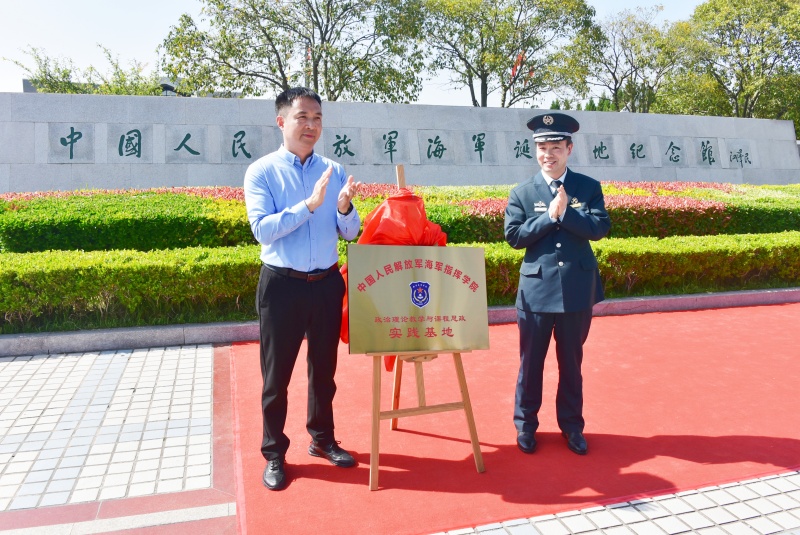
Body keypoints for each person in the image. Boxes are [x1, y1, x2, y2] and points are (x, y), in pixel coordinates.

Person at [244, 87, 362, 491]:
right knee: (276, 377)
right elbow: (262, 229)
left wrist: (343, 208)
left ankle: (322, 439)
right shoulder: (261, 172)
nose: (311, 125)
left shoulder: (334, 169)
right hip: (282, 285)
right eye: (302, 117)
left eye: (316, 118)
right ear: (282, 121)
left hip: (326, 283)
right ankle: (274, 453)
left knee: (323, 371)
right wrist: (309, 206)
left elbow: (351, 232)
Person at [504, 112, 610, 456]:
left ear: (569, 148)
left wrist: (567, 213)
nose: (547, 154)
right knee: (530, 364)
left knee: (571, 364)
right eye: (541, 148)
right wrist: (548, 217)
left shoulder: (587, 188)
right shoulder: (522, 192)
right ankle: (526, 425)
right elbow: (514, 237)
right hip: (536, 292)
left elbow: (599, 228)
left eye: (554, 147)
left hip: (577, 290)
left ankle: (572, 426)